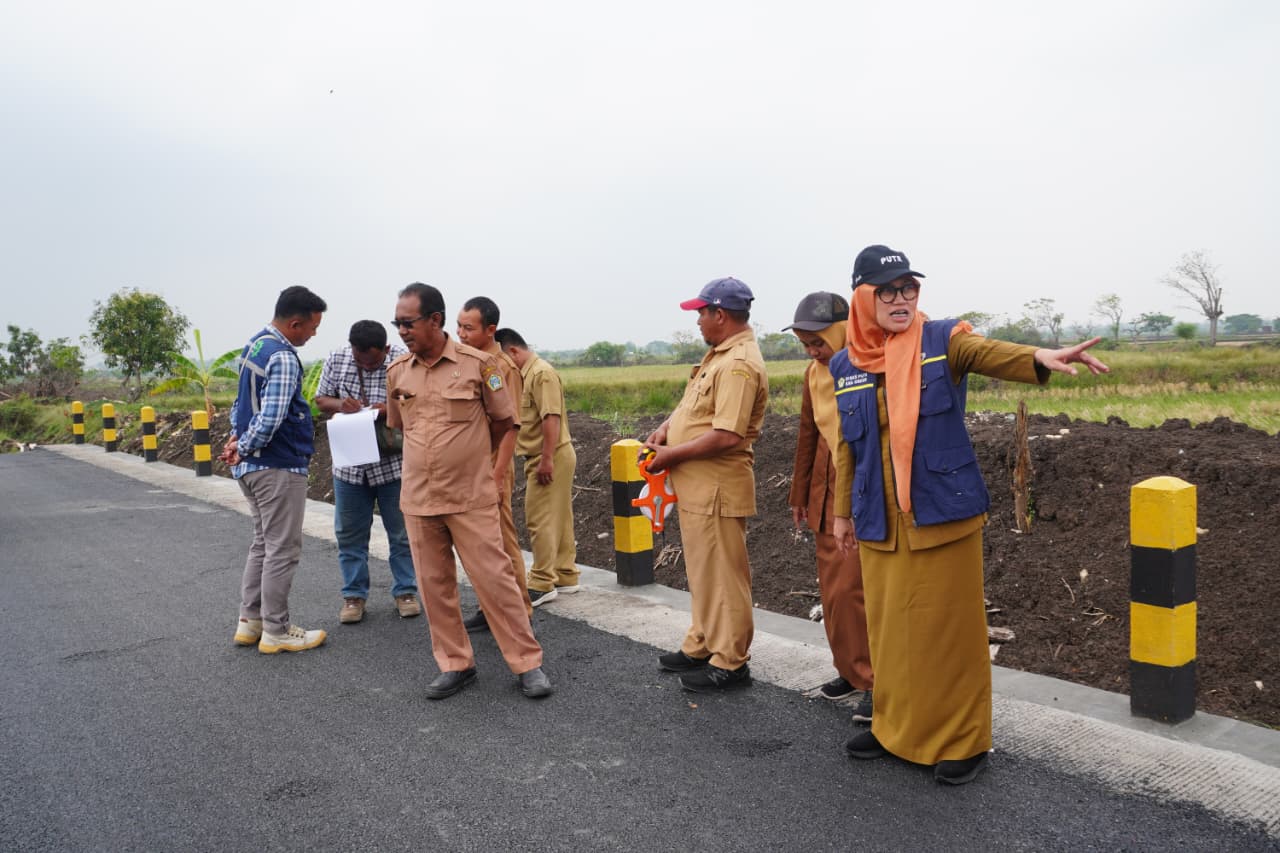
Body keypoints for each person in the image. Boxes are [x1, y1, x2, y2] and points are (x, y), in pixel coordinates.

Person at [832, 245, 1108, 785]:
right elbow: (850, 446)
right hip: (879, 520)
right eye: (887, 290)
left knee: (949, 633)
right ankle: (894, 730)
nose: (901, 299)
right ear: (862, 298)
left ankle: (964, 741)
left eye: (909, 288)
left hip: (941, 512)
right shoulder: (846, 363)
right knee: (890, 634)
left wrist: (1039, 358)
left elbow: (989, 353)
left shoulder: (943, 340)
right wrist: (842, 512)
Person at [387, 282, 551, 699]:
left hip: (470, 496)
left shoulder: (480, 366)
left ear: (435, 320)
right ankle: (455, 663)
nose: (402, 331)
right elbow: (398, 425)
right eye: (398, 324)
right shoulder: (398, 372)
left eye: (408, 323)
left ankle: (527, 663)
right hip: (420, 499)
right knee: (434, 586)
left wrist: (488, 472)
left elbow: (503, 423)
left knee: (495, 580)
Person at [643, 277, 768, 693]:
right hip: (699, 488)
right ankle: (702, 643)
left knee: (724, 576)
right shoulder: (718, 356)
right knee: (703, 571)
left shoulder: (737, 364)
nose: (697, 320)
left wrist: (671, 455)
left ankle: (731, 661)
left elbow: (727, 435)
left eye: (701, 312)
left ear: (720, 314)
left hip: (716, 487)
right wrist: (665, 429)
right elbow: (692, 410)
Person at [224, 285, 330, 654]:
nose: (313, 334)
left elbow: (241, 404)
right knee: (282, 549)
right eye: (312, 327)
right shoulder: (283, 357)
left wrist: (236, 443)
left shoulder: (254, 346)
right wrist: (248, 445)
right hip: (277, 466)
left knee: (263, 544)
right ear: (295, 322)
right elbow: (270, 417)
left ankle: (250, 621)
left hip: (252, 469)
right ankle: (277, 630)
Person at [784, 292, 874, 720]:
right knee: (835, 593)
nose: (813, 351)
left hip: (860, 487)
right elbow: (808, 433)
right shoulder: (813, 374)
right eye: (806, 344)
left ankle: (876, 678)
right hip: (825, 492)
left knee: (859, 591)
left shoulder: (865, 365)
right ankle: (851, 670)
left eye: (818, 341)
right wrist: (799, 493)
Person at [314, 320, 421, 624]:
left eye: (372, 361)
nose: (366, 365)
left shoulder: (403, 359)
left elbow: (416, 400)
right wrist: (341, 405)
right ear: (352, 350)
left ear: (385, 350)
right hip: (350, 468)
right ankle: (353, 597)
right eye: (360, 360)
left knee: (401, 534)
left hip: (393, 466)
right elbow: (322, 400)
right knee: (349, 535)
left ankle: (406, 592)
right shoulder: (337, 358)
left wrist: (387, 408)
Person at [455, 296, 533, 632]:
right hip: (473, 463)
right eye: (458, 326)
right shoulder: (474, 362)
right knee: (482, 542)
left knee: (502, 538)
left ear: (490, 330)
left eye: (468, 328)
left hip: (493, 463)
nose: (460, 334)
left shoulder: (502, 368)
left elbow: (510, 425)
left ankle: (521, 610)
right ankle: (492, 608)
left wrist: (498, 475)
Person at [495, 327, 580, 603]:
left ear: (513, 352)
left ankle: (543, 583)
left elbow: (550, 419)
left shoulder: (540, 373)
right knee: (559, 518)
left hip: (550, 454)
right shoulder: (526, 374)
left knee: (539, 519)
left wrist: (546, 460)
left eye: (502, 359)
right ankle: (565, 575)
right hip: (549, 454)